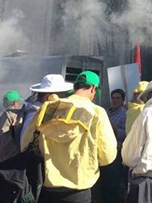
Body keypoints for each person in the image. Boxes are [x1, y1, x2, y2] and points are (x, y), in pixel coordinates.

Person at [21, 70, 117, 203]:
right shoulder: (97, 112)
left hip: (47, 188)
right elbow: (107, 156)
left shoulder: (49, 108)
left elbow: (25, 143)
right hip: (79, 190)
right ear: (93, 88)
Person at [20, 74, 74, 140]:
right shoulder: (37, 116)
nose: (63, 99)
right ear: (48, 97)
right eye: (61, 95)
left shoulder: (34, 111)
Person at [100, 88, 127, 203]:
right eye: (113, 98)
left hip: (116, 153)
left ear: (122, 101)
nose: (114, 100)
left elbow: (125, 133)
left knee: (112, 183)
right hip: (102, 151)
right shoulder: (105, 113)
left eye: (117, 98)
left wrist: (113, 128)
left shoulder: (124, 115)